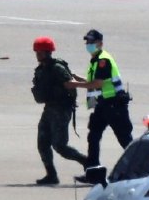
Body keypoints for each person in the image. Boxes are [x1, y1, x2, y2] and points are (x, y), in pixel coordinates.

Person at [30, 36, 90, 185]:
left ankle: (86, 161)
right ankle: (51, 175)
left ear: (47, 52)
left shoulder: (57, 68)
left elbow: (69, 83)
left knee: (60, 146)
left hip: (61, 110)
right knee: (42, 142)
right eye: (36, 51)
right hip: (49, 108)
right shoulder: (42, 69)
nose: (37, 54)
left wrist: (89, 84)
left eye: (40, 51)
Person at [72, 29, 132, 178]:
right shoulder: (95, 61)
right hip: (103, 105)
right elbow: (92, 82)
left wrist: (73, 85)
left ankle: (142, 169)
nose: (89, 45)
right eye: (87, 42)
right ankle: (93, 172)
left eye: (92, 42)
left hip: (114, 105)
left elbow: (97, 83)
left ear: (100, 43)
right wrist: (75, 78)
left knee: (125, 140)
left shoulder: (103, 60)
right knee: (93, 136)